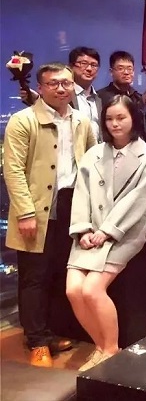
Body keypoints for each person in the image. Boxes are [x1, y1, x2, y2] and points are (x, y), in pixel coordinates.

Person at [3, 62, 96, 367]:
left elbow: (92, 162)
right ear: (41, 88)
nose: (61, 88)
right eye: (53, 83)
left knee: (61, 272)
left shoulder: (82, 121)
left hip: (73, 205)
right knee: (35, 277)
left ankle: (53, 332)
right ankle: (37, 340)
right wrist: (25, 212)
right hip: (38, 207)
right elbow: (13, 170)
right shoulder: (23, 120)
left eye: (66, 83)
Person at [66, 95, 146, 371]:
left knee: (92, 290)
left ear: (133, 119)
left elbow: (138, 200)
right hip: (90, 231)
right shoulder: (94, 153)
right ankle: (101, 346)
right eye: (109, 118)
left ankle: (110, 349)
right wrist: (82, 228)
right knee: (73, 290)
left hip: (124, 233)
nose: (115, 124)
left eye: (121, 118)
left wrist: (108, 231)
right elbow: (81, 193)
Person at [97, 51, 146, 143]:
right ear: (111, 72)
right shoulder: (100, 97)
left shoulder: (138, 98)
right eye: (121, 68)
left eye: (130, 69)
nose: (126, 72)